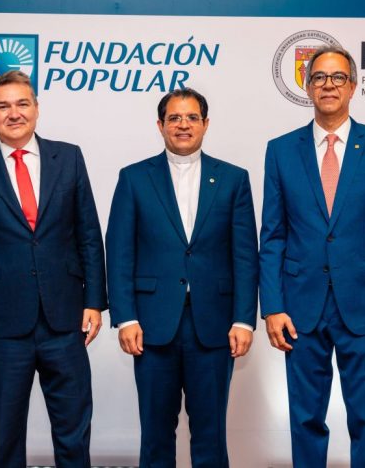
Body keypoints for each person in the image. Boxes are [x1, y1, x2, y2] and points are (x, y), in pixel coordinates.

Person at [0, 70, 107, 468]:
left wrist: (94, 301)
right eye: (2, 106)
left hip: (64, 318)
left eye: (22, 103)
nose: (13, 113)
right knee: (6, 436)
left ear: (36, 108)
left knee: (73, 433)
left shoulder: (69, 157)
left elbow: (89, 233)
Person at [260, 45, 365, 467]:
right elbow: (272, 236)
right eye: (319, 77)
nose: (328, 85)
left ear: (353, 86)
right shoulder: (280, 150)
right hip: (299, 309)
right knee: (305, 418)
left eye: (338, 77)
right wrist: (272, 306)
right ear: (308, 86)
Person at [106, 88, 258, 467]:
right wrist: (126, 318)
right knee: (156, 436)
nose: (183, 125)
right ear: (160, 125)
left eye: (192, 117)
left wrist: (244, 320)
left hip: (215, 325)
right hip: (151, 325)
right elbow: (119, 252)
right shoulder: (134, 178)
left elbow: (244, 255)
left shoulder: (234, 179)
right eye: (174, 118)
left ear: (206, 124)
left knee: (211, 436)